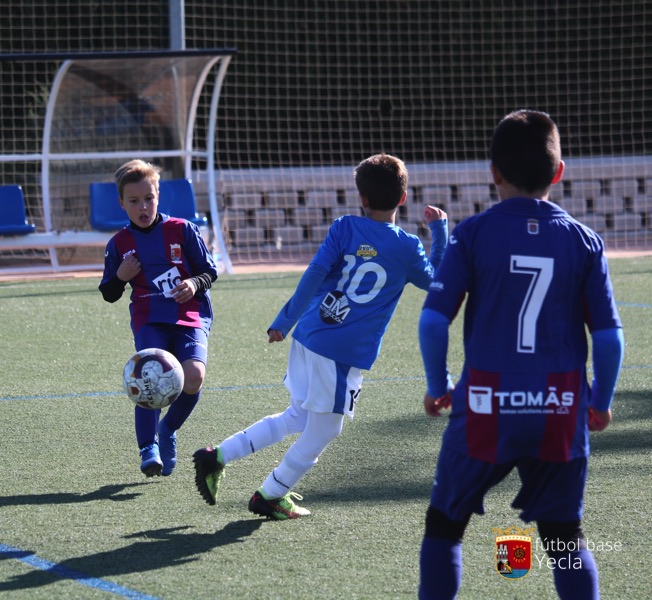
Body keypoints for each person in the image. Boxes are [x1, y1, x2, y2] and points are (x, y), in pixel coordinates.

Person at [416, 110, 624, 600]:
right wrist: (601, 402)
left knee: (444, 525)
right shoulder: (584, 241)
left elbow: (431, 320)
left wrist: (437, 385)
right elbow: (610, 337)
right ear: (558, 172)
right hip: (560, 404)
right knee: (564, 538)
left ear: (494, 172)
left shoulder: (472, 234)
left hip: (488, 401)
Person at [193, 153, 448, 519]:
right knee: (326, 430)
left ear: (361, 197)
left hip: (309, 334)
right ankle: (271, 494)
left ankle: (216, 456)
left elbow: (314, 273)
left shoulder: (344, 227)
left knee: (298, 417)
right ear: (403, 198)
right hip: (342, 352)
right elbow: (440, 280)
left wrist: (285, 320)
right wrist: (439, 231)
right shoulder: (407, 247)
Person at [99, 159, 218, 478]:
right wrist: (121, 277)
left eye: (149, 199)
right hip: (149, 319)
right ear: (121, 202)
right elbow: (109, 292)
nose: (143, 207)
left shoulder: (182, 230)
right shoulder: (119, 244)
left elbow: (210, 271)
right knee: (149, 377)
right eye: (134, 201)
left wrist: (193, 283)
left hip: (190, 315)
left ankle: (167, 430)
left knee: (193, 377)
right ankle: (148, 447)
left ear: (158, 196)